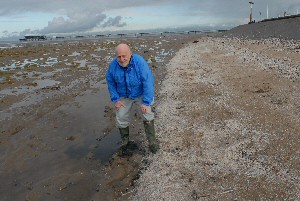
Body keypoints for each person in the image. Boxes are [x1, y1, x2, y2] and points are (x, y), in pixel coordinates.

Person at [106, 43, 159, 154]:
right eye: (119, 56)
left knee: (147, 114)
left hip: (140, 93)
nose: (122, 59)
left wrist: (146, 102)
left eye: (124, 55)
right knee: (120, 117)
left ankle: (152, 143)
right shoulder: (113, 66)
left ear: (130, 54)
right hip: (124, 95)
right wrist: (116, 99)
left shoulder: (139, 62)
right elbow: (110, 82)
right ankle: (125, 143)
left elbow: (148, 82)